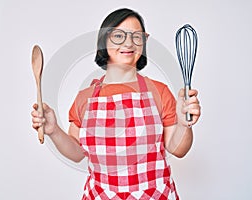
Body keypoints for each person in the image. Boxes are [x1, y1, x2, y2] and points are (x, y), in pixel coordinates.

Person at [31, 8, 201, 200]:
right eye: (119, 36)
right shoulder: (85, 98)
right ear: (104, 42)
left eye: (137, 37)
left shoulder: (159, 91)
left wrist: (183, 123)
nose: (129, 43)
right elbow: (77, 152)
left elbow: (178, 149)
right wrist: (53, 130)